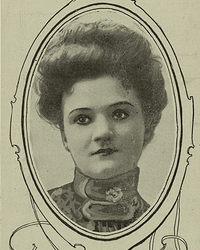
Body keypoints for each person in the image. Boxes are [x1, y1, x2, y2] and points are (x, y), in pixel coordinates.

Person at [35, 19, 167, 232]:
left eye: (120, 114)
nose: (103, 132)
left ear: (148, 126)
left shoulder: (164, 226)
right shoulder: (38, 215)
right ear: (64, 136)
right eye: (82, 119)